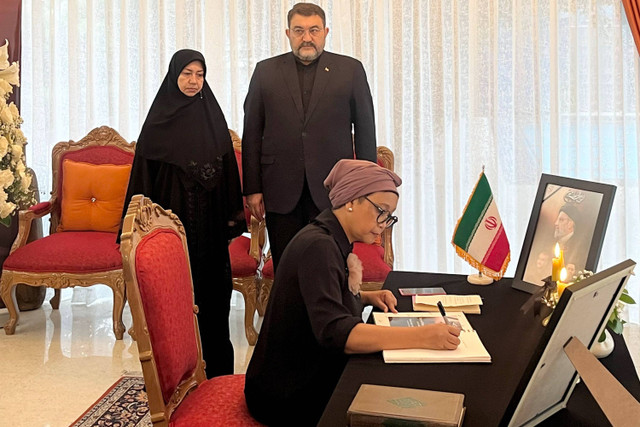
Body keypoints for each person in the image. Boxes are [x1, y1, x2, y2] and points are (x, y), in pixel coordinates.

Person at [244, 160, 461, 426]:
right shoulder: (319, 247)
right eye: (381, 211)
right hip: (287, 394)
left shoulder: (330, 238)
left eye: (389, 216)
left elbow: (320, 298)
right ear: (351, 200)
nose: (384, 224)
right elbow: (338, 334)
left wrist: (366, 297)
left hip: (298, 376)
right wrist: (423, 335)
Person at [122, 49, 245, 378]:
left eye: (199, 74)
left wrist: (230, 219)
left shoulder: (213, 118)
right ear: (174, 76)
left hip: (209, 231)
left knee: (213, 302)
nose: (193, 81)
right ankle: (179, 377)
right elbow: (143, 180)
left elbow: (228, 175)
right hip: (170, 232)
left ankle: (218, 376)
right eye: (186, 73)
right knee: (173, 305)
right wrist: (139, 230)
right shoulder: (158, 122)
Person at [242, 2, 377, 273]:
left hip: (334, 191)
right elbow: (252, 133)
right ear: (287, 33)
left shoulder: (350, 70)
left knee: (331, 267)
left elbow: (365, 132)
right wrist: (253, 188)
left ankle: (332, 316)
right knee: (287, 267)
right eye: (299, 30)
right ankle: (289, 316)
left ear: (326, 32)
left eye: (314, 30)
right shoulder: (265, 71)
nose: (307, 37)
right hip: (280, 190)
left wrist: (365, 187)